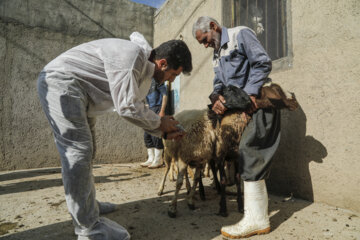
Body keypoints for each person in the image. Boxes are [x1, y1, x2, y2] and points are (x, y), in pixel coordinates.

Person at [37, 32, 192, 240]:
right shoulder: (133, 57)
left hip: (83, 94)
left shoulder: (143, 69)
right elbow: (126, 106)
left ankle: (89, 206)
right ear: (163, 63)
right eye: (173, 74)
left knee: (87, 152)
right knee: (78, 153)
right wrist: (160, 124)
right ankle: (88, 229)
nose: (171, 80)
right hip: (63, 83)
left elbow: (136, 105)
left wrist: (162, 129)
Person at [192, 16, 281, 239]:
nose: (204, 45)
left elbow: (262, 62)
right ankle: (257, 217)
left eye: (204, 39)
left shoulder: (240, 34)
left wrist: (249, 94)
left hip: (257, 103)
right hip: (240, 108)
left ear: (213, 27)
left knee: (250, 152)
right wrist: (216, 98)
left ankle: (256, 219)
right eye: (201, 43)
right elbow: (218, 82)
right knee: (245, 154)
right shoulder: (217, 53)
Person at [140, 78, 168, 168]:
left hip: (157, 108)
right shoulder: (145, 83)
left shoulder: (157, 81)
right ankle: (151, 158)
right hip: (149, 109)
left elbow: (165, 95)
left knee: (155, 134)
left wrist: (162, 110)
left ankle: (158, 159)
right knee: (147, 135)